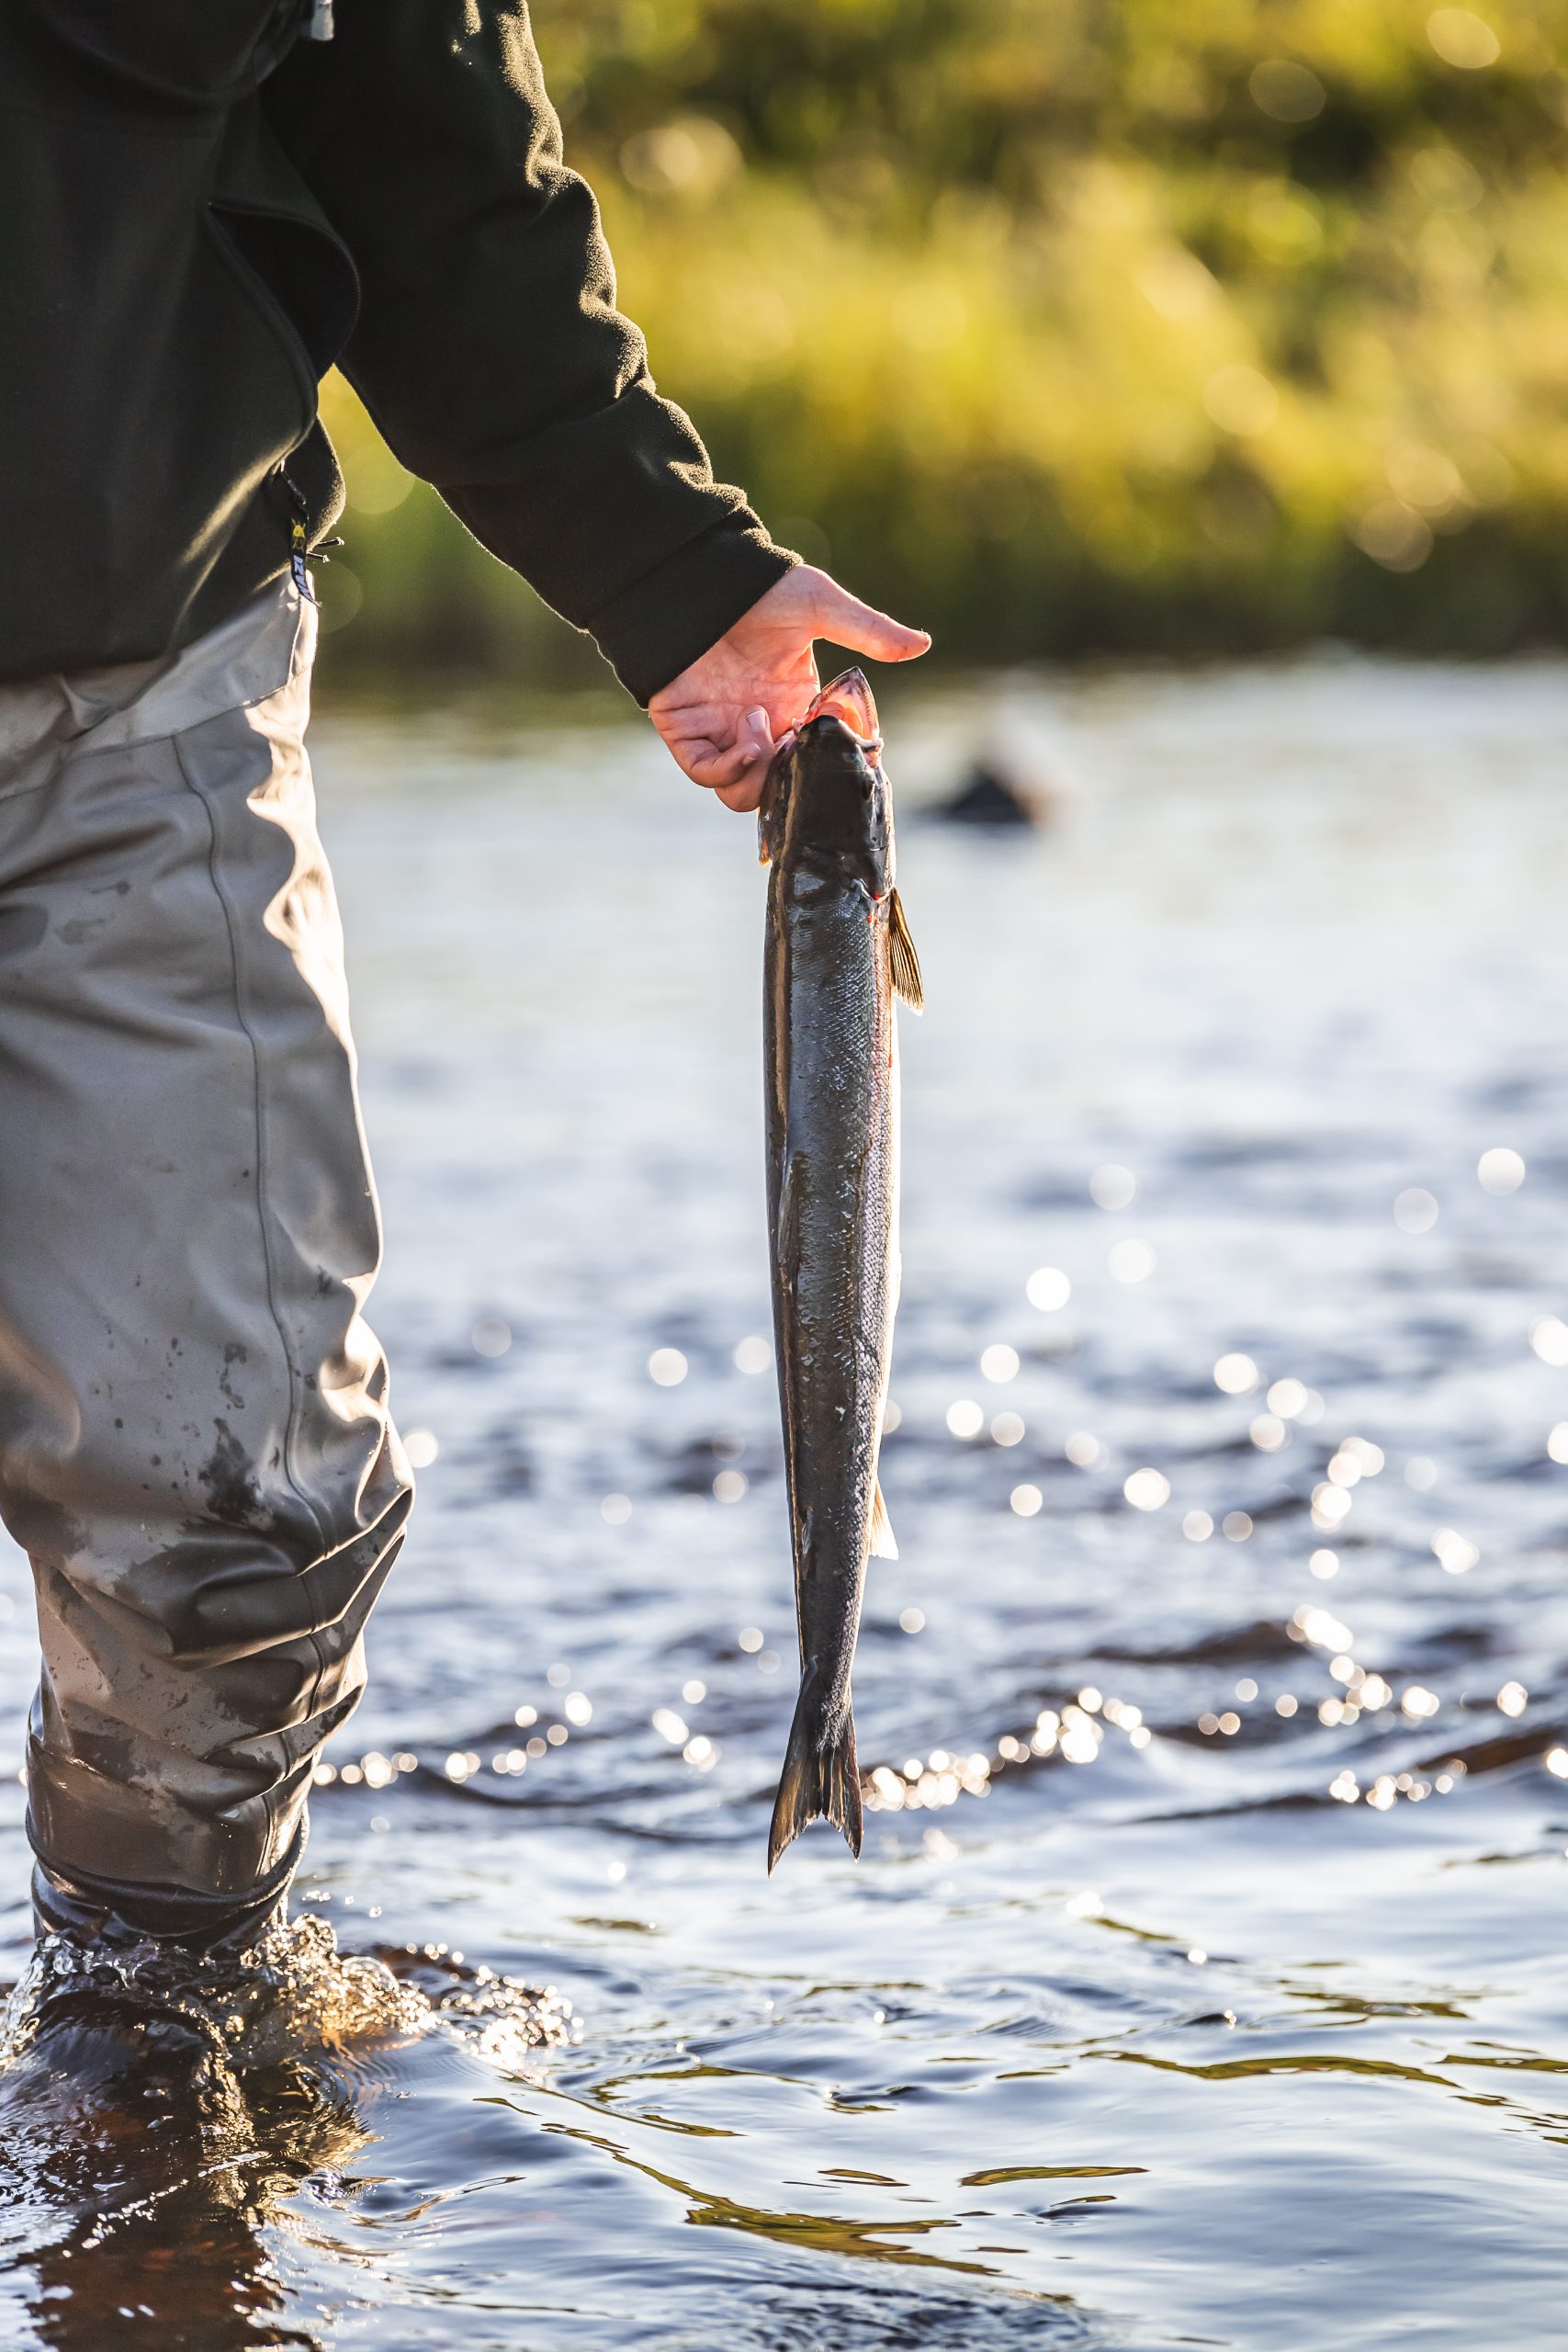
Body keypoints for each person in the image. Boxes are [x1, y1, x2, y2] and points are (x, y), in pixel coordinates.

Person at [0, 0, 927, 1968]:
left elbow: (424, 131)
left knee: (238, 1532)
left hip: (142, 678)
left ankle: (161, 2097)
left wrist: (668, 565)